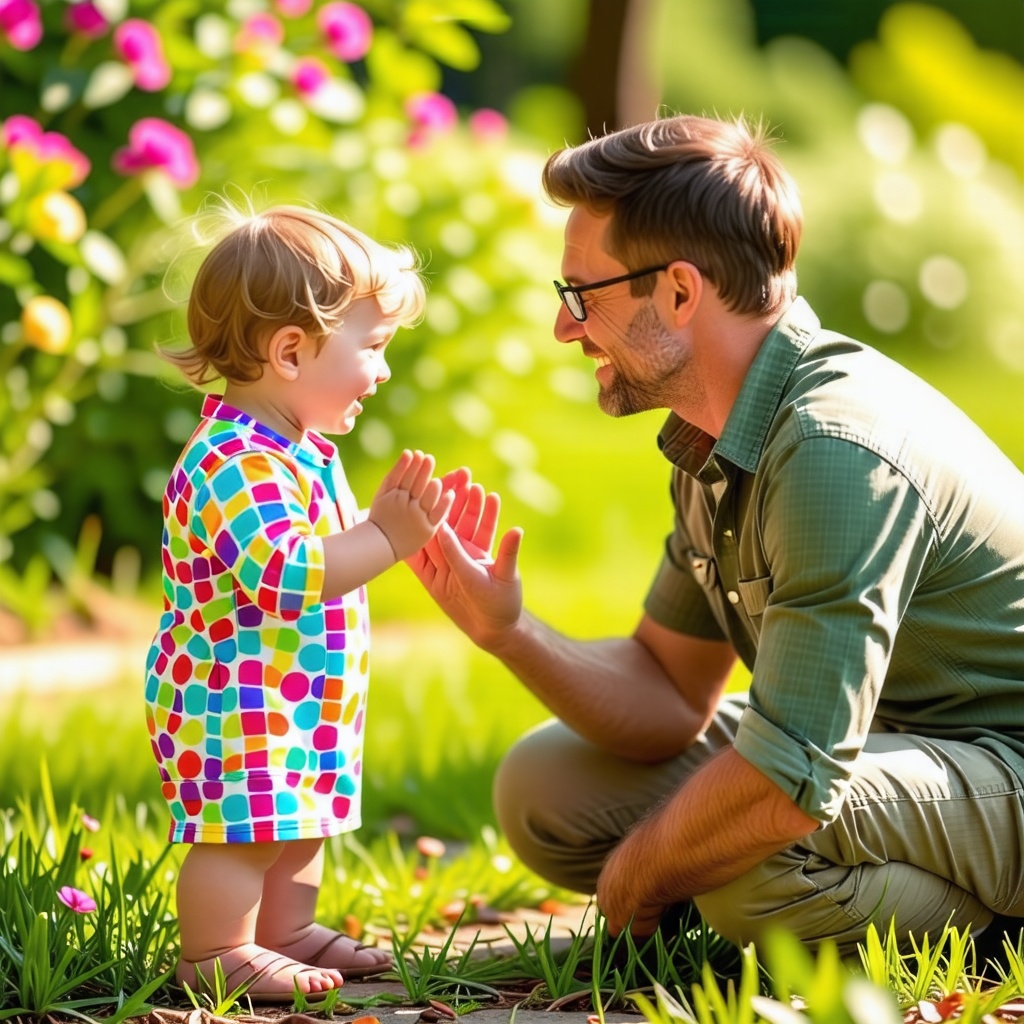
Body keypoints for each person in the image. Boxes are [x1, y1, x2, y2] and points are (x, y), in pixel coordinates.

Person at [408, 113, 1024, 958]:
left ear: (681, 292)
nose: (564, 327)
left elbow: (792, 774)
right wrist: (509, 633)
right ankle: (758, 906)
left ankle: (996, 932)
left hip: (1003, 769)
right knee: (545, 788)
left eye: (580, 295)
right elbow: (667, 689)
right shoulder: (717, 431)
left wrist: (633, 882)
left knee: (750, 860)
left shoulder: (834, 452)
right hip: (890, 755)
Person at [144, 203, 454, 999]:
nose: (382, 370)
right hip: (231, 696)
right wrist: (384, 538)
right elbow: (285, 575)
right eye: (373, 347)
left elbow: (327, 550)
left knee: (298, 823)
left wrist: (392, 533)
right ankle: (216, 950)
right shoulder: (234, 461)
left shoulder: (299, 450)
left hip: (290, 690)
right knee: (242, 835)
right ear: (289, 351)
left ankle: (283, 933)